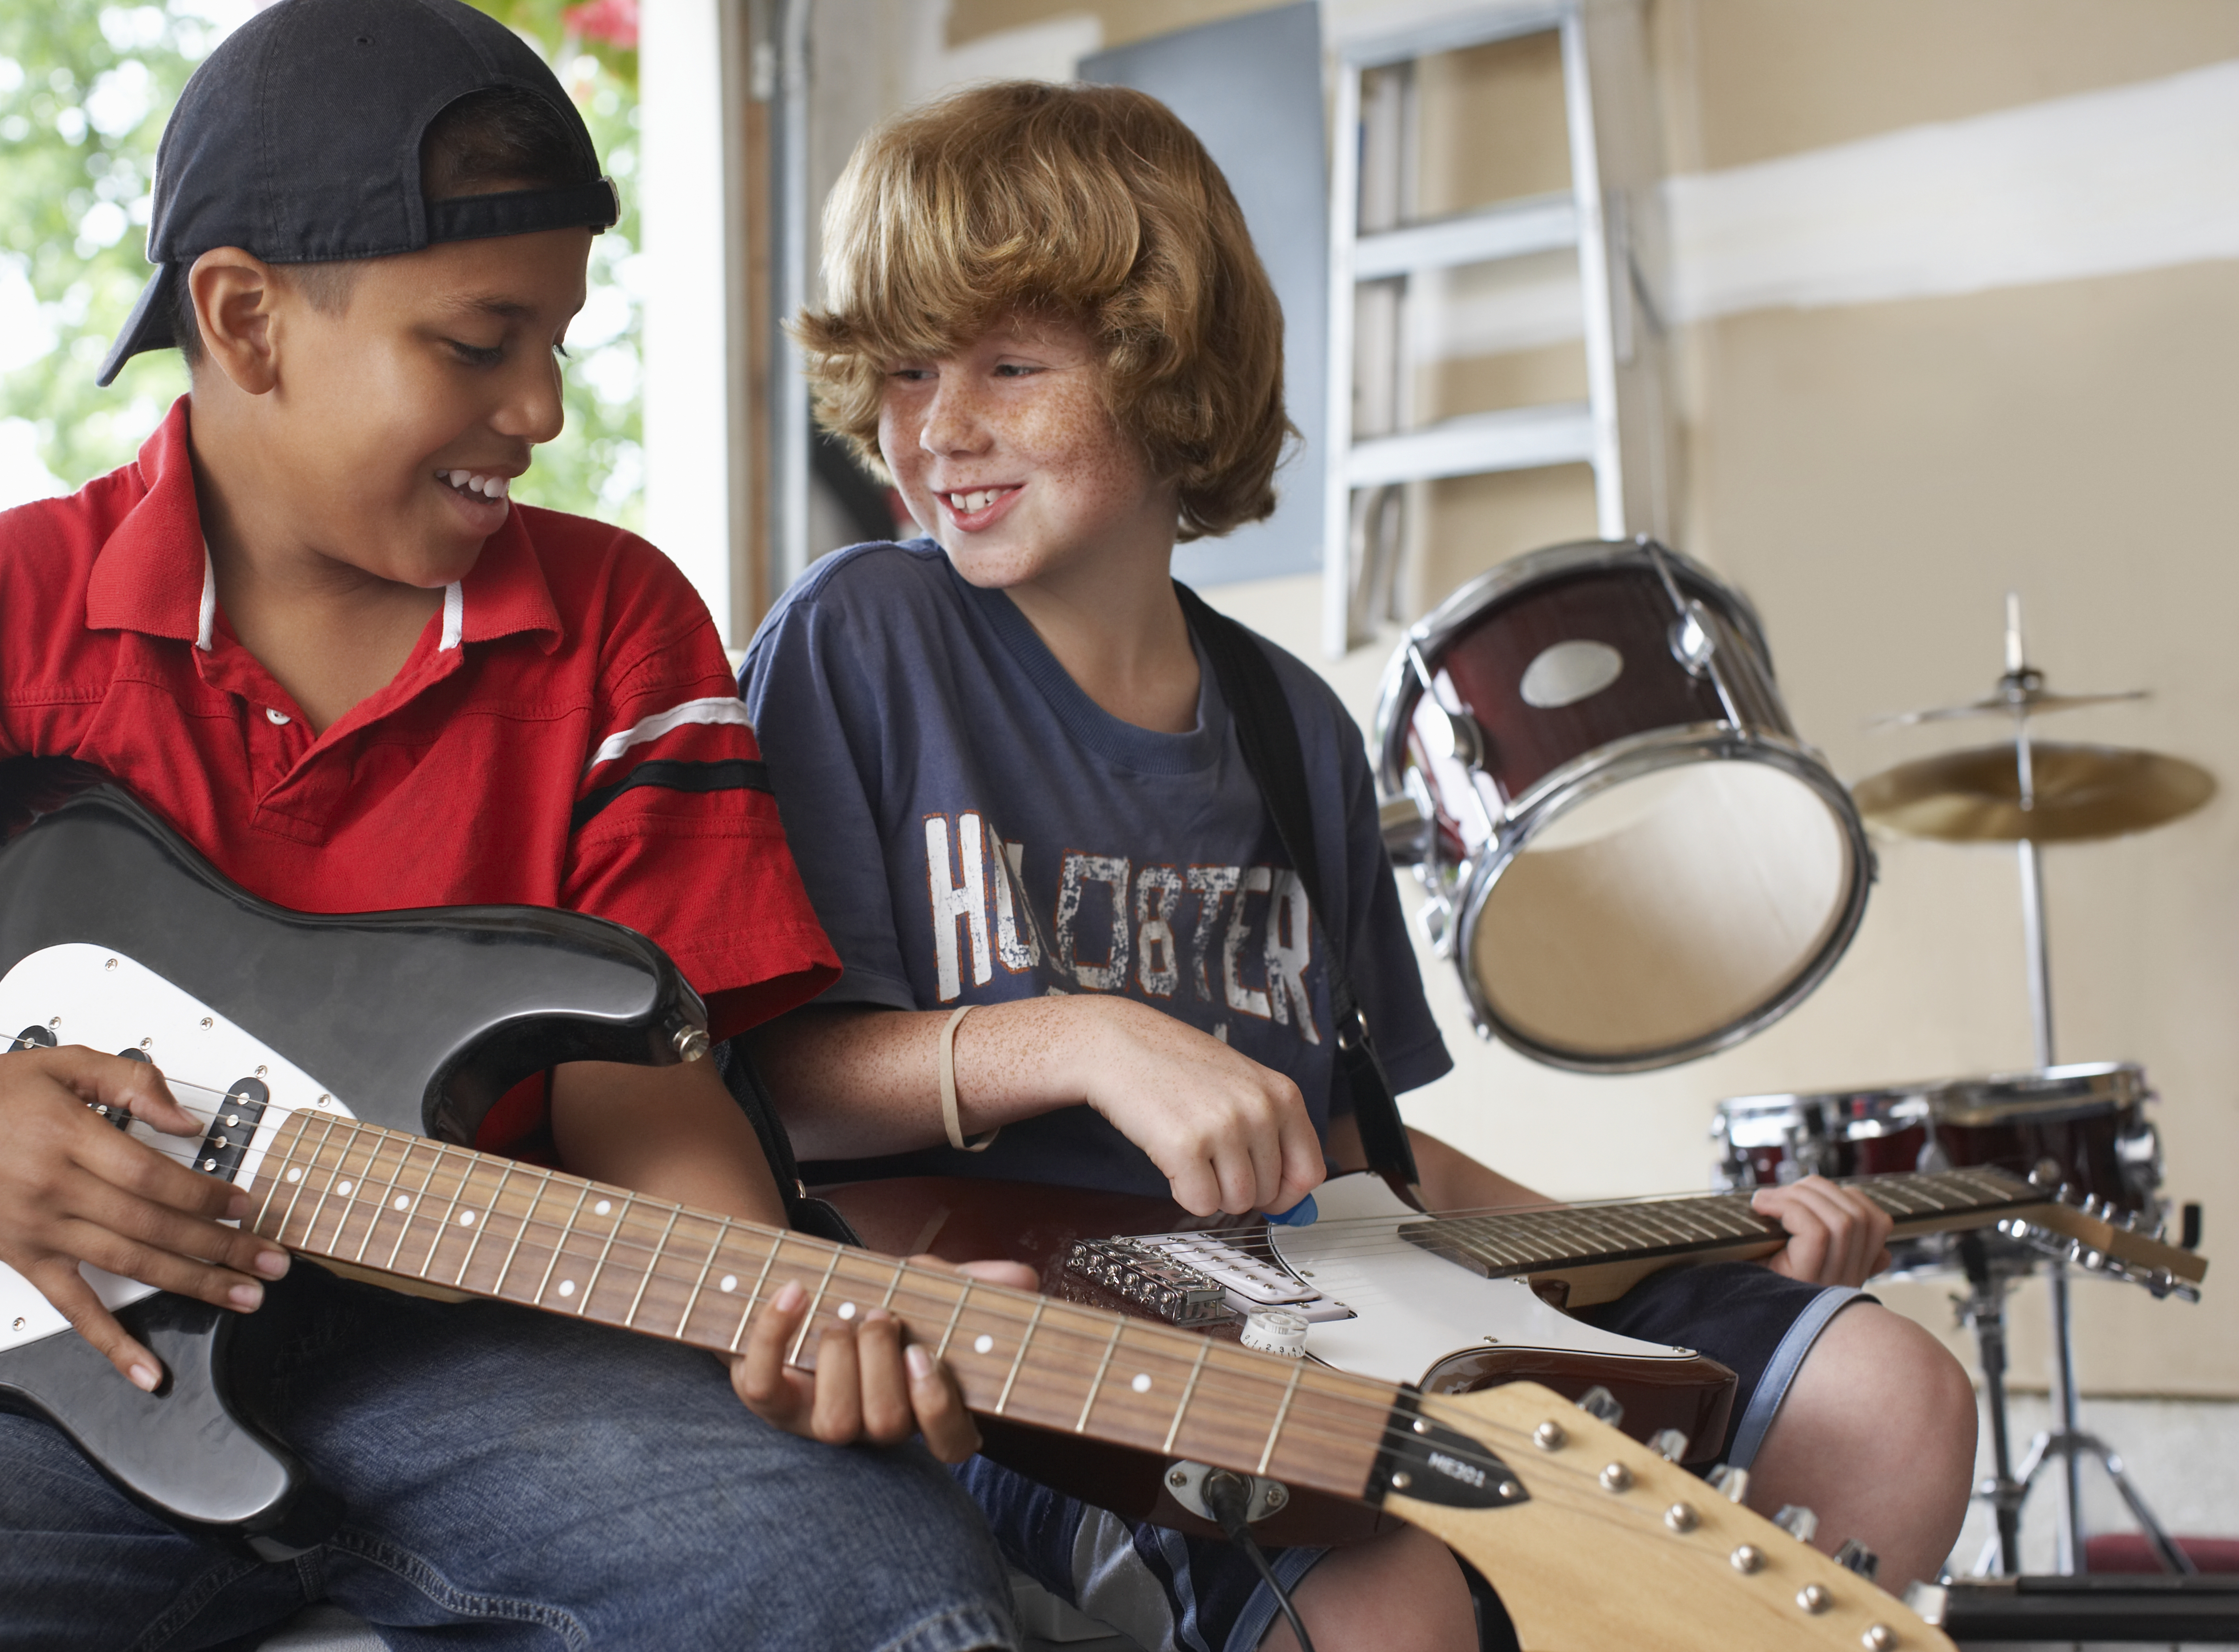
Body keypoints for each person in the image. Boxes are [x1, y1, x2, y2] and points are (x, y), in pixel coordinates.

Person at [0, 6, 1018, 1648]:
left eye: (560, 339)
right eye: (479, 341)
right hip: (48, 1380)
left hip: (516, 1353)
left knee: (892, 1592)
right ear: (246, 319)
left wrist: (773, 1309)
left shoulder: (621, 624)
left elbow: (649, 1089)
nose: (545, 407)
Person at [739, 81, 1978, 1652]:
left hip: (1337, 1293)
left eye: (1009, 364)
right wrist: (1085, 1038)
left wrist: (1705, 1228)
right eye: (905, 369)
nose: (940, 426)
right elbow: (769, 1077)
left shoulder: (1291, 726)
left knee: (1890, 1393)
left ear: (1159, 368)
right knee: (1381, 1575)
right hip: (1017, 1346)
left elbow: (1360, 1165)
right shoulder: (861, 636)